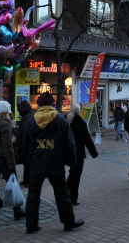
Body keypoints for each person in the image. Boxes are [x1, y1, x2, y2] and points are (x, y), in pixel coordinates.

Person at [23, 92, 84, 234]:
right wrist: (71, 162)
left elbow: (24, 144)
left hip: (36, 163)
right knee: (62, 193)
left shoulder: (31, 121)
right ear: (52, 104)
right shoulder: (60, 120)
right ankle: (68, 221)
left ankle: (31, 225)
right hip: (55, 163)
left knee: (33, 194)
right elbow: (69, 143)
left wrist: (29, 161)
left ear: (38, 104)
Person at [66, 104, 99, 205]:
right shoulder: (80, 122)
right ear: (78, 111)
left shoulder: (65, 121)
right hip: (78, 153)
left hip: (68, 152)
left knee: (72, 173)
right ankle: (73, 198)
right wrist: (94, 153)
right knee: (76, 176)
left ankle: (65, 193)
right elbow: (87, 139)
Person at [16, 100, 34, 185]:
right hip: (30, 143)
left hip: (26, 144)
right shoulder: (31, 115)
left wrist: (15, 133)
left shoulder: (25, 118)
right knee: (28, 163)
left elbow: (21, 132)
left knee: (27, 163)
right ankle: (27, 180)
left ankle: (28, 181)